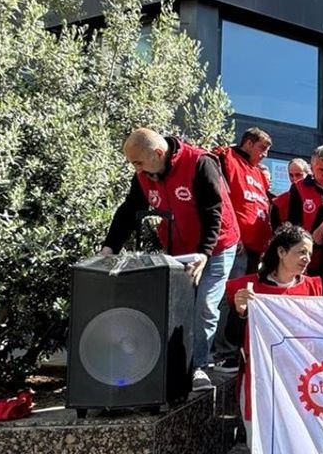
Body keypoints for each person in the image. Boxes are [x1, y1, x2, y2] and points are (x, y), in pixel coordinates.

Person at [101, 128, 239, 392]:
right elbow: (129, 211)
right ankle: (173, 364)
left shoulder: (199, 163)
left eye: (138, 162)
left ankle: (197, 366)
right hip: (178, 246)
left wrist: (204, 253)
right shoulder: (143, 175)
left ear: (158, 153)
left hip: (217, 245)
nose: (136, 169)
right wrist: (109, 248)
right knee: (177, 305)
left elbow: (214, 210)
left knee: (205, 306)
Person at [225, 224, 323, 436]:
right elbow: (230, 339)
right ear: (281, 252)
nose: (307, 258)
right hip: (260, 378)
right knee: (260, 441)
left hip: (300, 379)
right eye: (301, 252)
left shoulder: (313, 287)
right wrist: (240, 312)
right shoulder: (248, 287)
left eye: (310, 253)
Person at [210, 127, 274, 371]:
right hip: (235, 246)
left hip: (256, 250)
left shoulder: (257, 172)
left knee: (245, 301)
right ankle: (220, 352)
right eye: (262, 148)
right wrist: (232, 234)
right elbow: (221, 199)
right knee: (228, 298)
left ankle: (235, 349)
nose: (265, 154)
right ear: (247, 143)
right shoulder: (226, 158)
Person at [273, 146, 323, 232]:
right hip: (308, 242)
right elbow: (293, 223)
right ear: (312, 169)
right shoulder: (299, 188)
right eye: (321, 170)